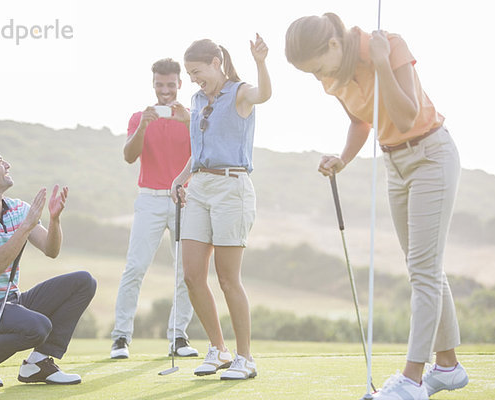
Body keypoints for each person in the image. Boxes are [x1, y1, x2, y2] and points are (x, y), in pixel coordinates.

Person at [285, 13, 469, 400]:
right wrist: (343, 158)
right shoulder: (333, 78)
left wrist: (383, 62)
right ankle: (448, 367)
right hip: (395, 165)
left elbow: (404, 118)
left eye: (317, 68)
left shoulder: (390, 46)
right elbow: (360, 122)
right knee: (424, 267)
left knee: (423, 269)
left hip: (431, 156)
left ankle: (412, 379)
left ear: (333, 45)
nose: (319, 78)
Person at [0, 140, 97, 390]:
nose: (7, 165)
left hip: (12, 303)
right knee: (38, 326)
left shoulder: (18, 209)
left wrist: (54, 219)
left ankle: (38, 363)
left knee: (83, 282)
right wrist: (25, 227)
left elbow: (51, 250)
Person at [169, 34, 271, 380]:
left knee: (228, 279)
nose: (195, 79)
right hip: (198, 186)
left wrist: (260, 61)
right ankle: (219, 350)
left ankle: (245, 358)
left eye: (198, 71)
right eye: (191, 73)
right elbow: (199, 150)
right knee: (192, 275)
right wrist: (180, 179)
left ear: (216, 63)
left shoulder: (241, 92)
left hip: (232, 188)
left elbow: (265, 94)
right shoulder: (197, 100)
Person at [110, 58, 198, 359]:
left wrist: (188, 121)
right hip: (149, 198)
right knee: (135, 267)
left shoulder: (192, 117)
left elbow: (203, 153)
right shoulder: (139, 117)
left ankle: (178, 337)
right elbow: (128, 156)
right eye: (160, 85)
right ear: (153, 84)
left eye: (170, 85)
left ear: (179, 84)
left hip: (184, 197)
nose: (165, 91)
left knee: (187, 270)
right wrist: (144, 127)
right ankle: (120, 338)